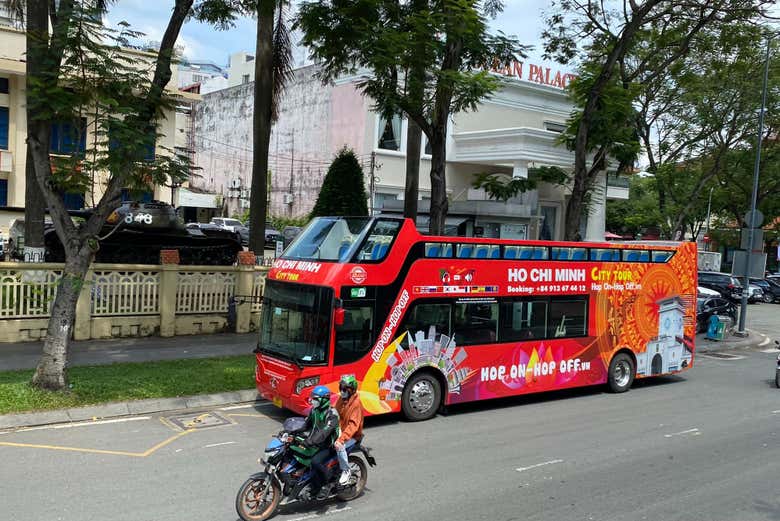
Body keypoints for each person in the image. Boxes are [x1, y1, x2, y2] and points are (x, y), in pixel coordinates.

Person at [303, 385, 340, 500]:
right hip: (316, 443)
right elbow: (305, 425)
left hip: (329, 445)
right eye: (312, 398)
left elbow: (325, 433)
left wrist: (311, 441)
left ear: (324, 399)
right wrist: (290, 431)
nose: (313, 401)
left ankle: (328, 481)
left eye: (315, 399)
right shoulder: (314, 411)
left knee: (314, 462)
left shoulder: (332, 414)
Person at [334, 375, 364, 485]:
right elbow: (335, 413)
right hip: (341, 430)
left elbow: (353, 426)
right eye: (340, 389)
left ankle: (346, 470)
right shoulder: (341, 400)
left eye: (344, 390)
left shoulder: (356, 404)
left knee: (339, 446)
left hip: (352, 435)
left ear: (351, 390)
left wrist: (341, 439)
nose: (342, 392)